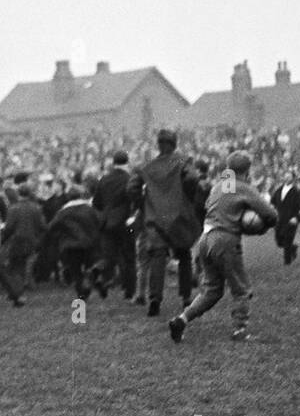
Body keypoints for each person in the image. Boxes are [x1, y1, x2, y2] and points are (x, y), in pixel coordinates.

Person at [167, 151, 278, 344]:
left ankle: (181, 320)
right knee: (241, 289)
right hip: (224, 240)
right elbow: (270, 214)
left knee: (212, 291)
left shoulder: (219, 186)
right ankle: (240, 330)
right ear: (247, 169)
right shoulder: (242, 187)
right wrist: (260, 225)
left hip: (205, 238)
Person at [127, 129, 199, 316]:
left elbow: (132, 187)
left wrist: (143, 204)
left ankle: (154, 300)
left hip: (155, 217)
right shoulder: (181, 160)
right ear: (174, 144)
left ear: (158, 144)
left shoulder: (148, 165)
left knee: (157, 258)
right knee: (184, 256)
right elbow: (192, 178)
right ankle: (186, 298)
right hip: (178, 215)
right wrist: (187, 197)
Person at [40, 183, 102, 300]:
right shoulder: (90, 209)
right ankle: (89, 279)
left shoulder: (63, 212)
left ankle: (81, 295)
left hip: (70, 245)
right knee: (89, 266)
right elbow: (100, 221)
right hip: (89, 243)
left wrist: (59, 234)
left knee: (76, 271)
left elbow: (51, 227)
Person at [92, 150, 135, 298]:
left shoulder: (104, 179)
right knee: (128, 257)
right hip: (125, 223)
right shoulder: (130, 179)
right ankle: (129, 291)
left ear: (113, 163)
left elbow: (96, 203)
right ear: (127, 163)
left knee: (109, 256)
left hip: (106, 223)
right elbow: (134, 200)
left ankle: (100, 274)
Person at [1, 183, 46, 294]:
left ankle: (18, 288)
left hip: (17, 240)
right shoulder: (36, 208)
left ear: (18, 193)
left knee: (16, 266)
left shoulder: (13, 208)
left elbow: (9, 228)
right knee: (28, 262)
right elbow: (42, 226)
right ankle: (29, 285)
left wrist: (3, 240)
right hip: (32, 239)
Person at [271, 170, 300, 265]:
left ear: (293, 179)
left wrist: (296, 218)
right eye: (286, 176)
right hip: (279, 219)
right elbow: (273, 203)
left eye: (289, 176)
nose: (287, 178)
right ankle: (293, 247)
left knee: (288, 239)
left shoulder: (296, 191)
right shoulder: (278, 190)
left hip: (291, 219)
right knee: (279, 241)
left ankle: (287, 262)